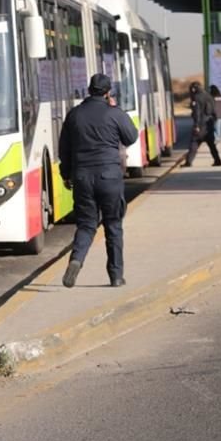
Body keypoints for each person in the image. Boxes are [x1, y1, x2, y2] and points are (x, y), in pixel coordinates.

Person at [59, 74, 139, 289]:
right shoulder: (113, 113)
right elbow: (131, 137)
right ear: (108, 92)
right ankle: (116, 276)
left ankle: (76, 260)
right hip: (109, 176)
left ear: (89, 90)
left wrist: (66, 174)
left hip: (83, 177)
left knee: (86, 225)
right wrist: (116, 109)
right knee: (113, 225)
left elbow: (64, 149)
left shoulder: (74, 115)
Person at [184, 82, 221, 168]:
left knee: (194, 143)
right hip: (209, 125)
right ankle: (217, 160)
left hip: (200, 125)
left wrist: (196, 125)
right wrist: (213, 122)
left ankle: (188, 162)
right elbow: (214, 111)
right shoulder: (209, 96)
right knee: (212, 145)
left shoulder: (197, 98)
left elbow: (197, 113)